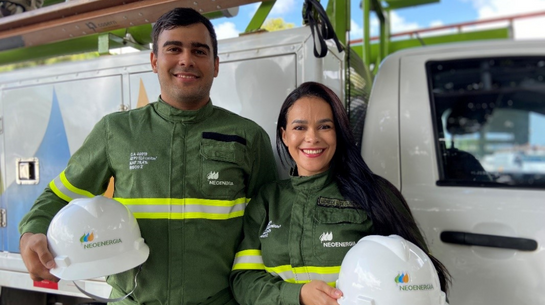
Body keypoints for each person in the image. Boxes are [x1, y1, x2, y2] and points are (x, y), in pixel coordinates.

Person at [18, 7, 277, 305]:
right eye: (174, 49)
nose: (186, 60)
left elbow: (268, 226)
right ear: (154, 61)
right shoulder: (115, 131)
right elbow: (59, 195)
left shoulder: (248, 137)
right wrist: (31, 233)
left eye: (199, 51)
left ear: (215, 65)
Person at [230, 82, 450, 305]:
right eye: (300, 128)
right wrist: (297, 295)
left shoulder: (375, 193)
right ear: (284, 135)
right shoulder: (267, 200)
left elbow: (421, 278)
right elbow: (243, 280)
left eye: (325, 126)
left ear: (339, 133)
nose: (312, 137)